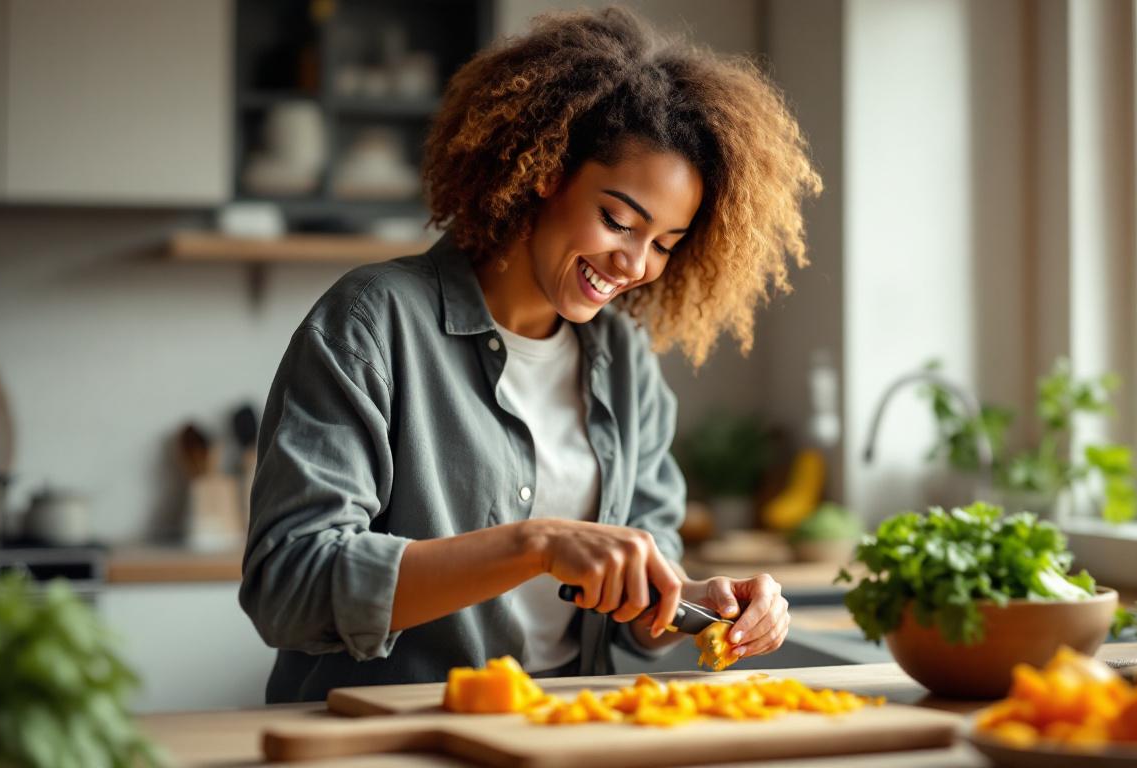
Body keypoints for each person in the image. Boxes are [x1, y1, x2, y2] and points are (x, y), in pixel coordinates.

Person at [240, 6, 822, 703]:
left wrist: (698, 602)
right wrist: (534, 545)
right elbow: (290, 585)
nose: (636, 263)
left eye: (665, 243)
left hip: (560, 729)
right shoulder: (375, 321)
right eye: (617, 220)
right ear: (547, 171)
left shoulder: (625, 362)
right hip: (389, 739)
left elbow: (639, 605)